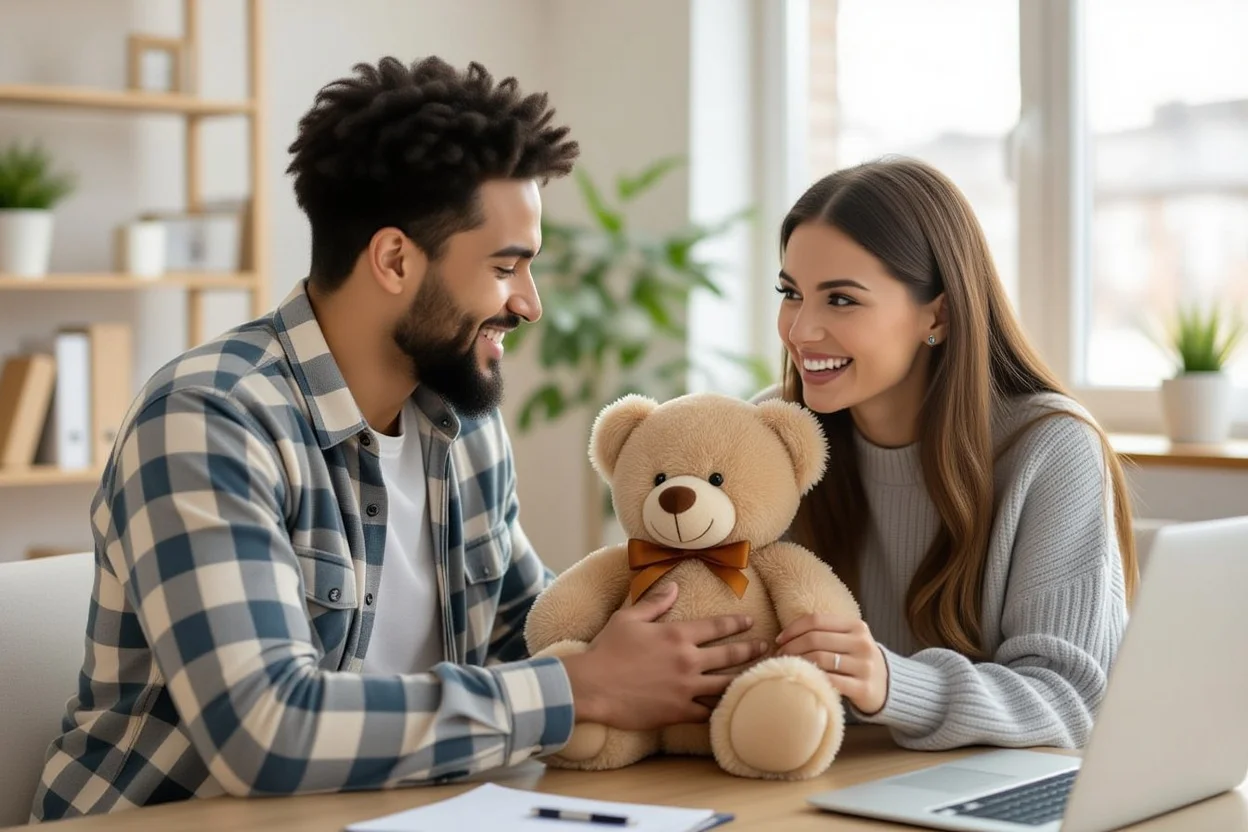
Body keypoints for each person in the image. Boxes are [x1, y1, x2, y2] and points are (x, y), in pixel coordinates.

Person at [31, 56, 766, 821]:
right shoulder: (208, 420)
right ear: (393, 259)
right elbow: (264, 731)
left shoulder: (460, 422)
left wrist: (710, 646)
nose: (531, 304)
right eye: (506, 266)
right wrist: (575, 689)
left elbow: (532, 631)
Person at [759, 156, 1137, 752]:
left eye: (841, 300)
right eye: (791, 293)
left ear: (937, 313)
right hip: (814, 783)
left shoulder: (1050, 448)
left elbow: (1073, 700)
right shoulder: (769, 438)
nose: (800, 330)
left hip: (983, 793)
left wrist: (894, 684)